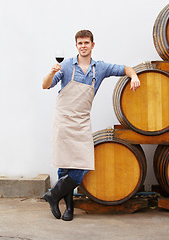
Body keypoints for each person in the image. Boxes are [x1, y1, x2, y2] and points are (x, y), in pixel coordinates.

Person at [42, 30, 140, 221]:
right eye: (80, 43)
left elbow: (125, 68)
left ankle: (52, 195)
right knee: (64, 166)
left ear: (92, 45)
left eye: (86, 42)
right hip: (63, 120)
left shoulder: (100, 68)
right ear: (76, 45)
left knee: (82, 166)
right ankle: (68, 208)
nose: (83, 46)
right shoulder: (65, 66)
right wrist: (51, 72)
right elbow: (45, 85)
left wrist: (134, 75)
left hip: (82, 121)